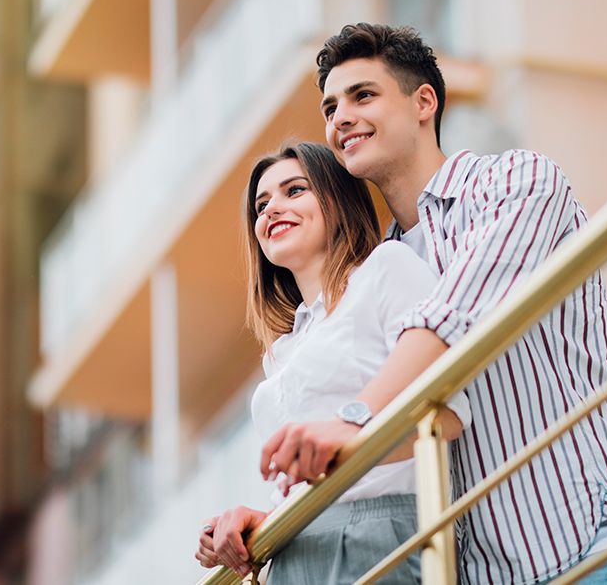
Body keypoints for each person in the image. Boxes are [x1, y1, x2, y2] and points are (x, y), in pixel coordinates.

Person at [257, 24, 607, 585]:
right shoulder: (382, 269)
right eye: (330, 106)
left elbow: (455, 316)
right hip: (486, 569)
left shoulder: (515, 182)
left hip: (593, 540)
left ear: (423, 102)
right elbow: (402, 449)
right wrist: (277, 519)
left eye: (363, 95)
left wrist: (356, 422)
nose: (339, 117)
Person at [195, 141, 472, 584]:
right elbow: (313, 476)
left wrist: (346, 446)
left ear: (336, 200)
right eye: (261, 205)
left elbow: (449, 414)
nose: (270, 210)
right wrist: (263, 519)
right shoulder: (281, 352)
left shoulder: (387, 267)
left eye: (295, 190)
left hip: (378, 533)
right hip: (295, 547)